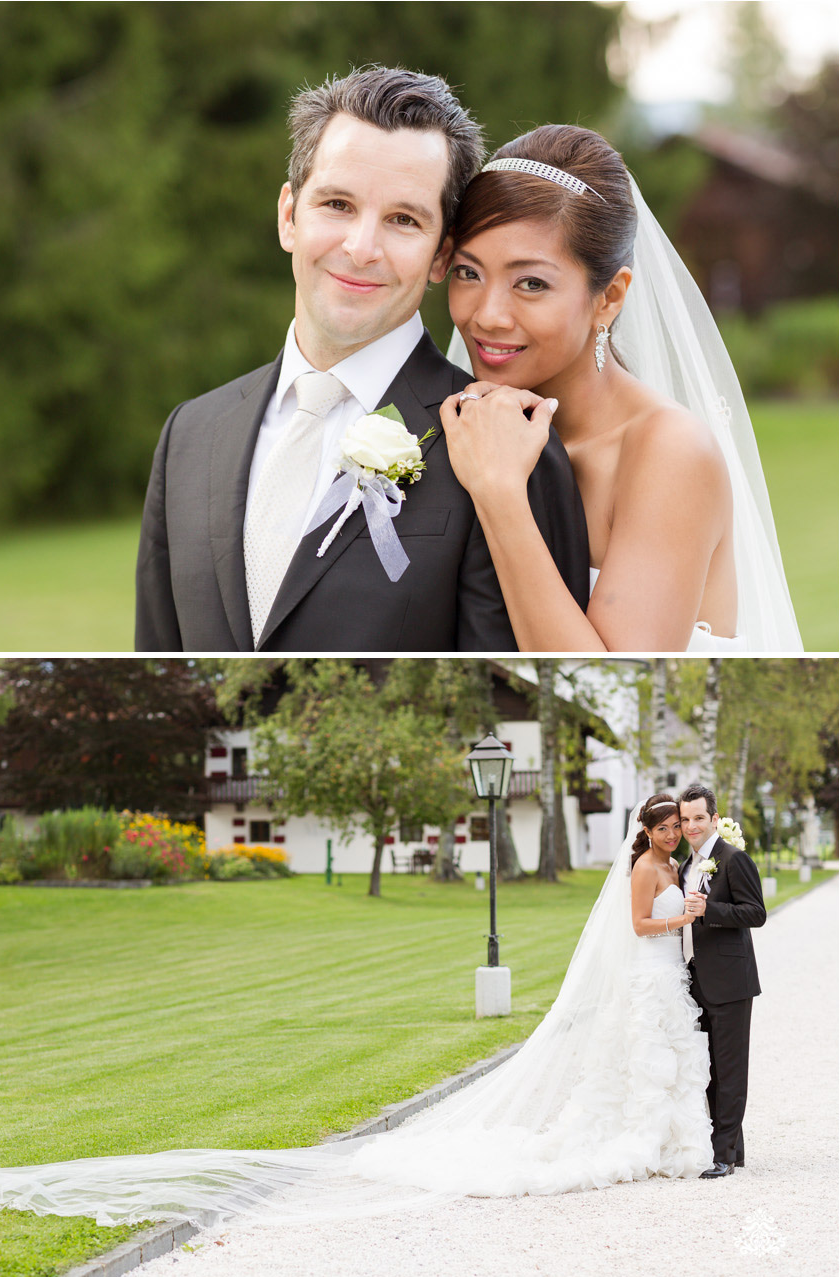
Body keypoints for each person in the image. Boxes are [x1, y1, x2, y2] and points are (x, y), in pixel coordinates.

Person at [0, 795, 712, 1227]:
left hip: (659, 983)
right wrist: (683, 916)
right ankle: (636, 1137)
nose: (674, 832)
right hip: (647, 974)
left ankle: (664, 1136)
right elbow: (642, 924)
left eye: (678, 823)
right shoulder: (646, 869)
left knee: (655, 1059)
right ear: (646, 829)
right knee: (635, 1058)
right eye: (667, 823)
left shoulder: (670, 860)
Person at [134, 70, 589, 652]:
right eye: (337, 204)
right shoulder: (188, 437)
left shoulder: (509, 448)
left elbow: (503, 705)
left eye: (403, 219)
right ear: (288, 216)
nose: (361, 248)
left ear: (440, 254)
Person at [442, 124, 804, 653]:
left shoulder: (668, 453)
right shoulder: (462, 427)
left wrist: (498, 495)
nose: (488, 316)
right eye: (468, 273)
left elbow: (611, 695)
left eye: (532, 283)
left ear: (609, 297)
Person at [678, 782, 766, 1177]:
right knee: (708, 1068)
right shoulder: (685, 865)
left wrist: (709, 910)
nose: (691, 826)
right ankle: (733, 1148)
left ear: (714, 819)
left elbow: (755, 912)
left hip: (730, 981)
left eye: (699, 818)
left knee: (730, 1068)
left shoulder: (733, 859)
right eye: (685, 819)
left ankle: (724, 1156)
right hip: (696, 980)